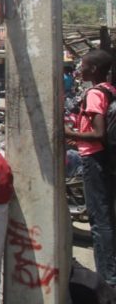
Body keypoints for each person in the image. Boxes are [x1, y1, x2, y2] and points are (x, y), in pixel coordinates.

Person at [64, 49, 116, 287]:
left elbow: (97, 133)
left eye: (83, 65)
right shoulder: (109, 89)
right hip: (102, 157)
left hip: (93, 158)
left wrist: (66, 132)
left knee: (99, 220)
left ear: (93, 69)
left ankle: (107, 279)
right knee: (104, 215)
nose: (79, 69)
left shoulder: (95, 93)